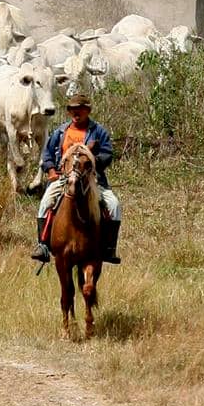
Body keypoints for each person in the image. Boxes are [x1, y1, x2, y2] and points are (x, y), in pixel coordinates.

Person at [29, 69, 121, 264]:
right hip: (63, 177)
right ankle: (43, 245)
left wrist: (92, 160)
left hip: (91, 178)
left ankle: (109, 249)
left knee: (113, 205)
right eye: (72, 109)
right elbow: (47, 153)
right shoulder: (60, 132)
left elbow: (107, 154)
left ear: (88, 111)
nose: (75, 113)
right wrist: (51, 170)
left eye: (80, 109)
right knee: (45, 203)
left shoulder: (98, 132)